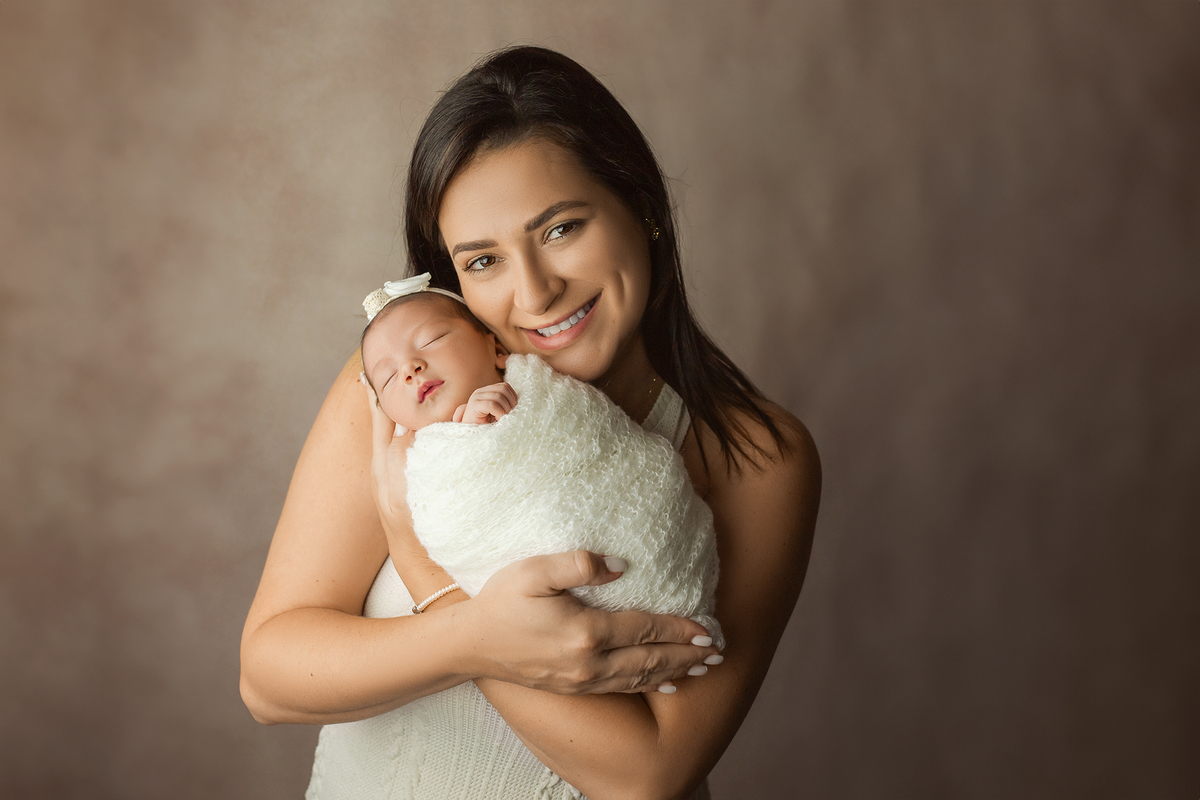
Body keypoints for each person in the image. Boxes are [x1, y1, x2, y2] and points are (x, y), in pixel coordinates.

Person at [241, 45, 820, 800]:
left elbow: (647, 773)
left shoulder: (756, 460)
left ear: (642, 208)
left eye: (560, 229)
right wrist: (471, 635)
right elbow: (269, 679)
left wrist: (429, 573)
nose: (536, 292)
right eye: (482, 263)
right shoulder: (399, 392)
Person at [357, 273, 723, 645]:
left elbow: (586, 447)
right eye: (387, 377)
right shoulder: (409, 459)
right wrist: (461, 438)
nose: (409, 369)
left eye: (431, 341)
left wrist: (478, 425)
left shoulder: (531, 391)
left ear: (496, 348)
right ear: (386, 410)